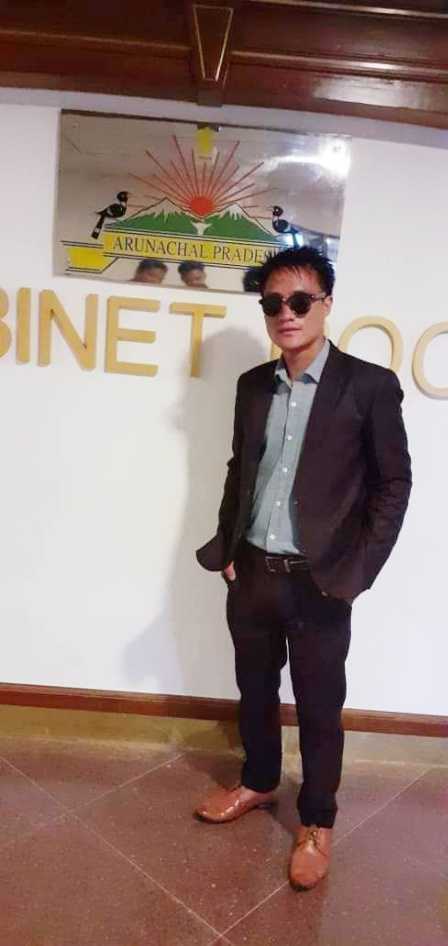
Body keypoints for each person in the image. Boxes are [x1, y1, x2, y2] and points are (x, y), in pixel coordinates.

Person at [195, 246, 412, 891]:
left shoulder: (368, 386)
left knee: (319, 708)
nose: (285, 314)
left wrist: (358, 569)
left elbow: (393, 485)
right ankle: (259, 781)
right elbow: (240, 469)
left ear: (325, 304)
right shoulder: (252, 386)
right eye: (272, 303)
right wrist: (227, 547)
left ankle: (317, 821)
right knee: (255, 692)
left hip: (321, 580)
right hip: (253, 572)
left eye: (298, 301)